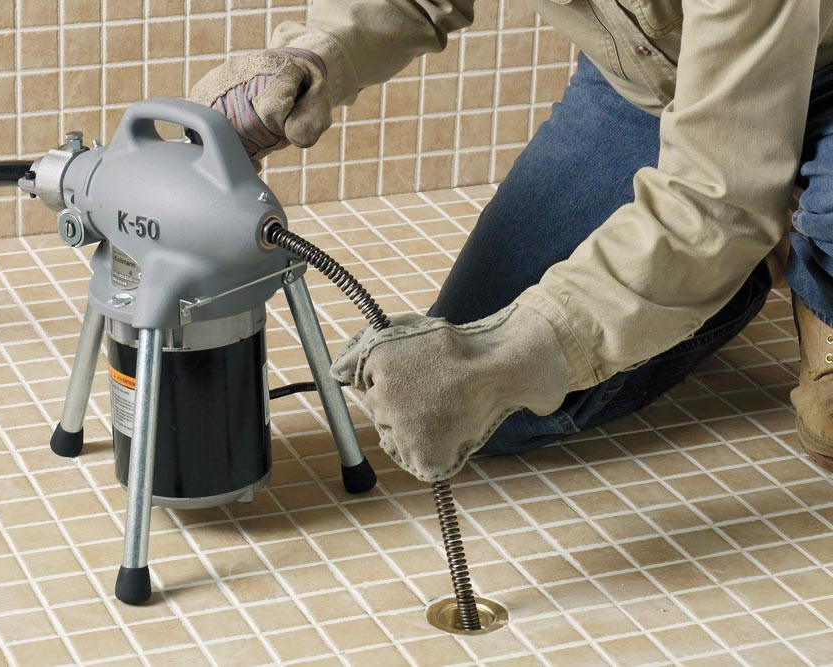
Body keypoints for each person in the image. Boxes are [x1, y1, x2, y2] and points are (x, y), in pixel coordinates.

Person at [191, 1, 833, 483]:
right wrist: (315, 59)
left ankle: (805, 253)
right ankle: (756, 252)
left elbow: (718, 199)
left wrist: (506, 353)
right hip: (653, 83)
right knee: (496, 412)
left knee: (510, 365)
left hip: (820, 74)